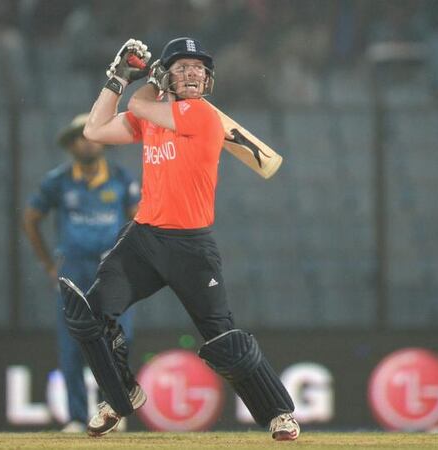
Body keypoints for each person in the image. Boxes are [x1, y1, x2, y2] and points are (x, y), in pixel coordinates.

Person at [58, 37, 299, 440]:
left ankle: (279, 414)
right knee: (92, 316)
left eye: (199, 68)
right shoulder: (155, 114)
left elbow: (138, 105)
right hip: (144, 239)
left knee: (224, 339)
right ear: (169, 75)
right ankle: (122, 395)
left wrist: (145, 81)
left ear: (208, 80)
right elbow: (95, 129)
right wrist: (116, 80)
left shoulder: (203, 116)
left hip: (192, 246)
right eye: (183, 66)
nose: (192, 73)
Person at [22, 114, 139, 432]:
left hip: (111, 272)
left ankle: (113, 412)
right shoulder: (58, 181)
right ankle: (75, 417)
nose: (86, 142)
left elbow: (138, 222)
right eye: (79, 137)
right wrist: (48, 264)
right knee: (72, 344)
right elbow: (31, 218)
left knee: (116, 340)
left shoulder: (120, 178)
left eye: (91, 136)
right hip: (73, 271)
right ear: (71, 144)